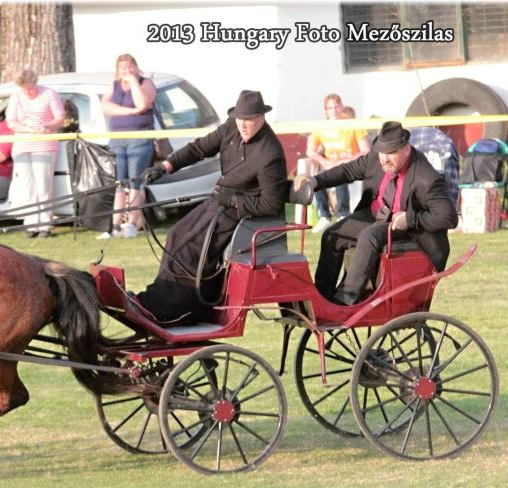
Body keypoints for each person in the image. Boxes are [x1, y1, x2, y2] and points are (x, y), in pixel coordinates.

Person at [135, 90, 289, 324]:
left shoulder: (270, 153)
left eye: (248, 120)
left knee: (191, 247)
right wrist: (166, 166)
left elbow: (271, 204)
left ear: (261, 118)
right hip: (220, 200)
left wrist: (233, 201)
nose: (243, 125)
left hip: (244, 212)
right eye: (240, 119)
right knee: (176, 234)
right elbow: (199, 148)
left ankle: (181, 310)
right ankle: (160, 298)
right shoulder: (230, 128)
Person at [297, 121, 458, 306]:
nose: (385, 159)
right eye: (382, 152)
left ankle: (344, 302)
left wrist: (410, 218)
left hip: (409, 228)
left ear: (406, 148)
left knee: (370, 236)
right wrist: (316, 181)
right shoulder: (376, 158)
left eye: (391, 153)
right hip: (377, 214)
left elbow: (448, 217)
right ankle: (323, 299)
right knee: (333, 234)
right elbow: (348, 170)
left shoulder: (426, 177)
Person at [99, 53, 157, 239]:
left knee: (135, 182)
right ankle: (115, 227)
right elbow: (106, 107)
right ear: (117, 70)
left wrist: (133, 82)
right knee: (119, 184)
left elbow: (143, 103)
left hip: (139, 140)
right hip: (117, 140)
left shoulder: (145, 83)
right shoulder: (113, 85)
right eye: (123, 68)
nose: (127, 71)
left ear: (136, 67)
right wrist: (130, 111)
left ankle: (131, 224)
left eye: (130, 67)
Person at [5, 67, 66, 238]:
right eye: (25, 89)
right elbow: (11, 122)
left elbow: (60, 117)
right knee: (28, 186)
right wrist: (27, 129)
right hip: (22, 144)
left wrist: (47, 126)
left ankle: (45, 224)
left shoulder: (49, 94)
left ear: (36, 82)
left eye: (31, 88)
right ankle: (31, 224)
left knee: (43, 186)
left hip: (44, 144)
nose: (28, 92)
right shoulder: (16, 96)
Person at [306, 94, 370, 234]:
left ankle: (343, 214)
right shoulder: (322, 127)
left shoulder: (353, 125)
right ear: (326, 111)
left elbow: (366, 151)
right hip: (330, 166)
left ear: (341, 106)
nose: (334, 110)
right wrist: (323, 161)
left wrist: (341, 162)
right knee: (317, 178)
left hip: (352, 167)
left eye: (337, 106)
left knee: (339, 174)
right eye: (330, 107)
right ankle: (324, 216)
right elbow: (310, 150)